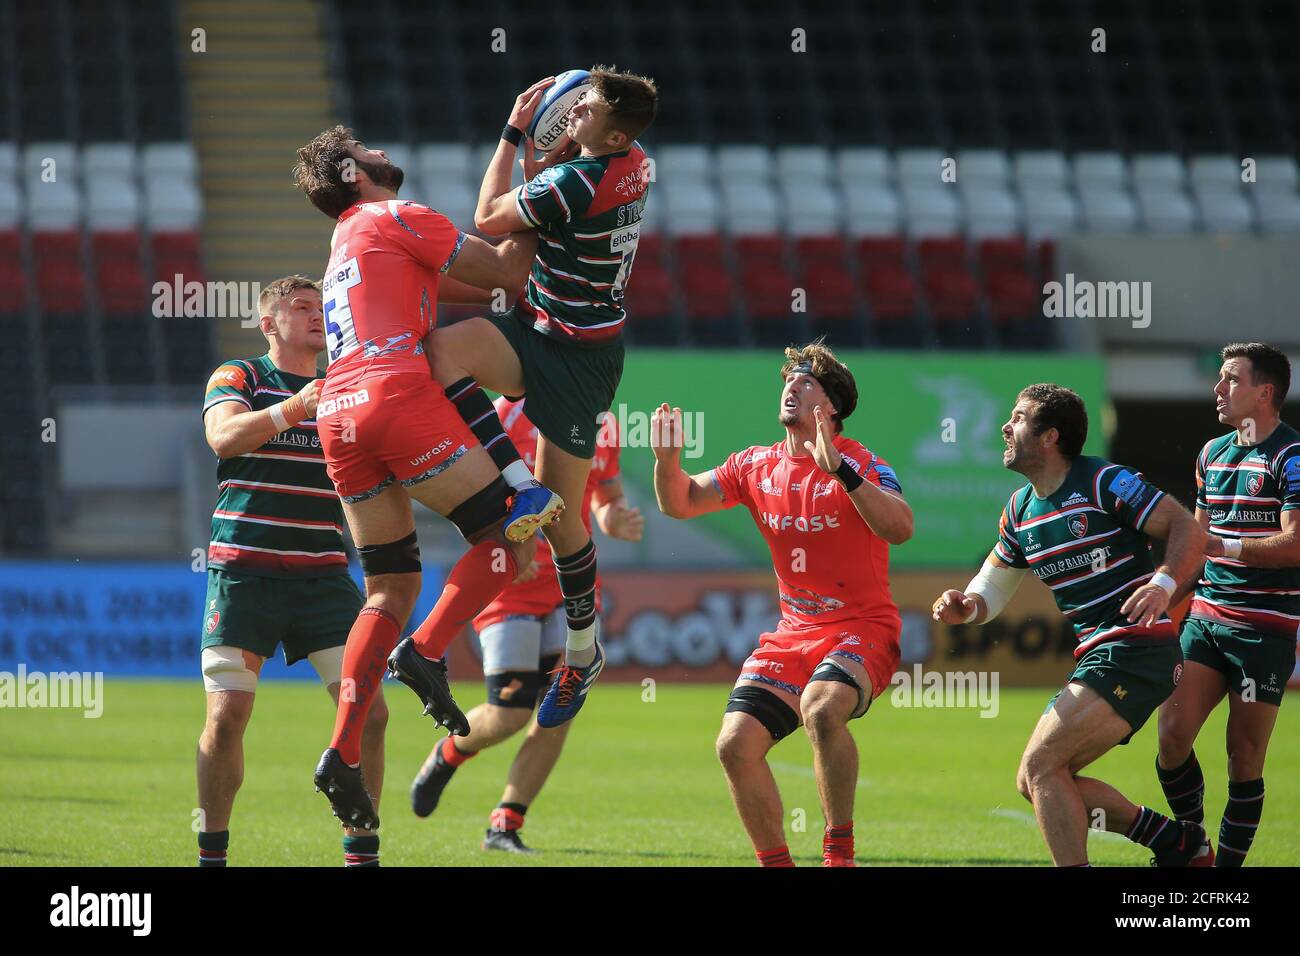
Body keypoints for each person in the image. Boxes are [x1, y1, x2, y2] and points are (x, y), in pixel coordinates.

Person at [292, 127, 550, 831]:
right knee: (510, 537)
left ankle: (343, 749)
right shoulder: (397, 215)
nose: (381, 151)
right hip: (390, 396)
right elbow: (505, 270)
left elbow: (472, 280)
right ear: (354, 170)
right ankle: (427, 650)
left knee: (389, 586)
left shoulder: (344, 242)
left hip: (337, 413)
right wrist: (541, 194)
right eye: (366, 147)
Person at [424, 67, 658, 727]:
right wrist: (554, 150)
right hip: (543, 330)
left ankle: (583, 657)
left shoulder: (577, 182)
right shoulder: (635, 160)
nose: (576, 109)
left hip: (582, 363)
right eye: (576, 100)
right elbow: (547, 201)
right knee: (447, 350)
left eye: (588, 108)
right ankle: (518, 478)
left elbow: (487, 218)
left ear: (612, 133)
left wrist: (515, 136)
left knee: (564, 522)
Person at [652, 341, 913, 867]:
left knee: (821, 708)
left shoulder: (861, 463)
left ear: (831, 407)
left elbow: (901, 528)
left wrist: (840, 470)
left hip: (861, 629)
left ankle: (839, 851)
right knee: (734, 745)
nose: (791, 387)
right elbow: (679, 502)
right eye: (789, 380)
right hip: (792, 635)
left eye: (806, 382)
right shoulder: (754, 464)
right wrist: (668, 460)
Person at [931, 384, 1210, 867]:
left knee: (1042, 768)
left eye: (1017, 418)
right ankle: (1175, 842)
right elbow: (993, 586)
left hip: (1136, 645)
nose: (1005, 426)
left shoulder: (1103, 481)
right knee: (1035, 781)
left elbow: (1187, 526)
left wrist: (1164, 584)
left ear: (1049, 437)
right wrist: (967, 607)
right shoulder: (1020, 510)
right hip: (1102, 652)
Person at [197, 275, 386, 867]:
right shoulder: (241, 376)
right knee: (227, 718)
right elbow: (223, 437)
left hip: (323, 574)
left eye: (319, 309)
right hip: (243, 572)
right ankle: (213, 855)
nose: (314, 317)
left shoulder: (350, 386)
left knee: (371, 711)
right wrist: (294, 408)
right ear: (268, 323)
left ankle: (362, 851)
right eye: (299, 308)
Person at [410, 404, 642, 852]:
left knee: (562, 704)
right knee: (509, 714)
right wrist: (495, 548)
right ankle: (449, 753)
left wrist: (614, 517)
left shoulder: (603, 423)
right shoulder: (501, 415)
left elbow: (604, 493)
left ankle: (505, 823)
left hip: (571, 585)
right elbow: (465, 493)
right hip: (512, 586)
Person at [1158, 342, 1300, 866]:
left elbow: (1297, 543)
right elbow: (1195, 542)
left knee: (1243, 758)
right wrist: (1162, 590)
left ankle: (1225, 878)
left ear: (1264, 392)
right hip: (1207, 618)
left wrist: (1227, 546)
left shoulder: (1293, 457)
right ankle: (1193, 847)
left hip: (1264, 629)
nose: (1219, 389)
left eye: (1231, 380)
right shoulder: (1211, 453)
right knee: (1172, 740)